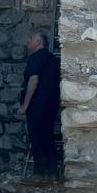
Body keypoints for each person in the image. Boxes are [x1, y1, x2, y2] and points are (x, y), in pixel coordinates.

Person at [18, 30, 61, 176]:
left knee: (36, 136)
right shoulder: (54, 60)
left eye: (31, 39)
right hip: (52, 104)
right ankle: (53, 171)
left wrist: (25, 105)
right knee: (48, 135)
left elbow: (33, 80)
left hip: (37, 103)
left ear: (38, 42)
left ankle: (39, 174)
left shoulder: (35, 57)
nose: (28, 42)